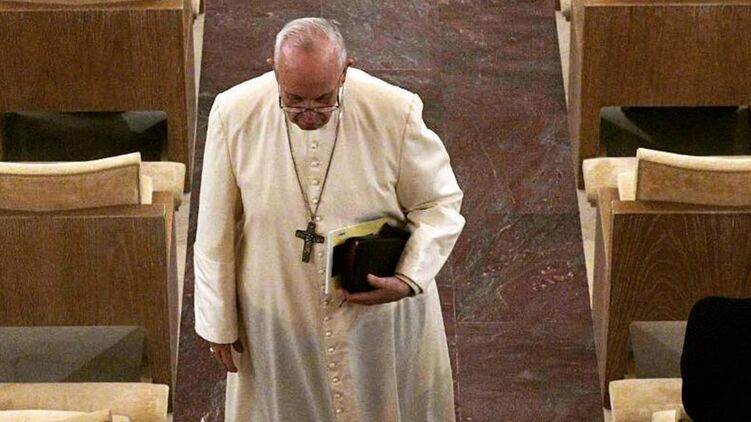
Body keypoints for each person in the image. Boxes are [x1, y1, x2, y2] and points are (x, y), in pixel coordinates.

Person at [193, 17, 465, 421]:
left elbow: (439, 203)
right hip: (278, 309)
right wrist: (218, 323)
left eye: (323, 99)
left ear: (345, 71)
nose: (308, 113)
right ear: (274, 70)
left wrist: (408, 276)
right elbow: (214, 227)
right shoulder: (234, 112)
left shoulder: (394, 109)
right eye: (293, 99)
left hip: (375, 315)